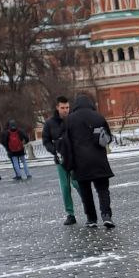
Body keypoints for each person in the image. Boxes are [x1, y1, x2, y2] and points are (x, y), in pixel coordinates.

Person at [61, 93, 115, 228]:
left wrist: (67, 164)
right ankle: (106, 215)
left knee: (86, 192)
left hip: (80, 163)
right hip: (99, 160)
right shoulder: (98, 116)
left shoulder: (70, 119)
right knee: (103, 189)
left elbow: (66, 144)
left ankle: (91, 219)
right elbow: (108, 137)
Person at [42, 96, 77, 224]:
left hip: (75, 158)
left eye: (67, 107)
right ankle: (70, 214)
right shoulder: (50, 123)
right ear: (57, 107)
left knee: (78, 184)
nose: (65, 110)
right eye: (62, 108)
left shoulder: (74, 119)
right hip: (60, 159)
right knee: (65, 187)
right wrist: (54, 150)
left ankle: (89, 210)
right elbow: (46, 141)